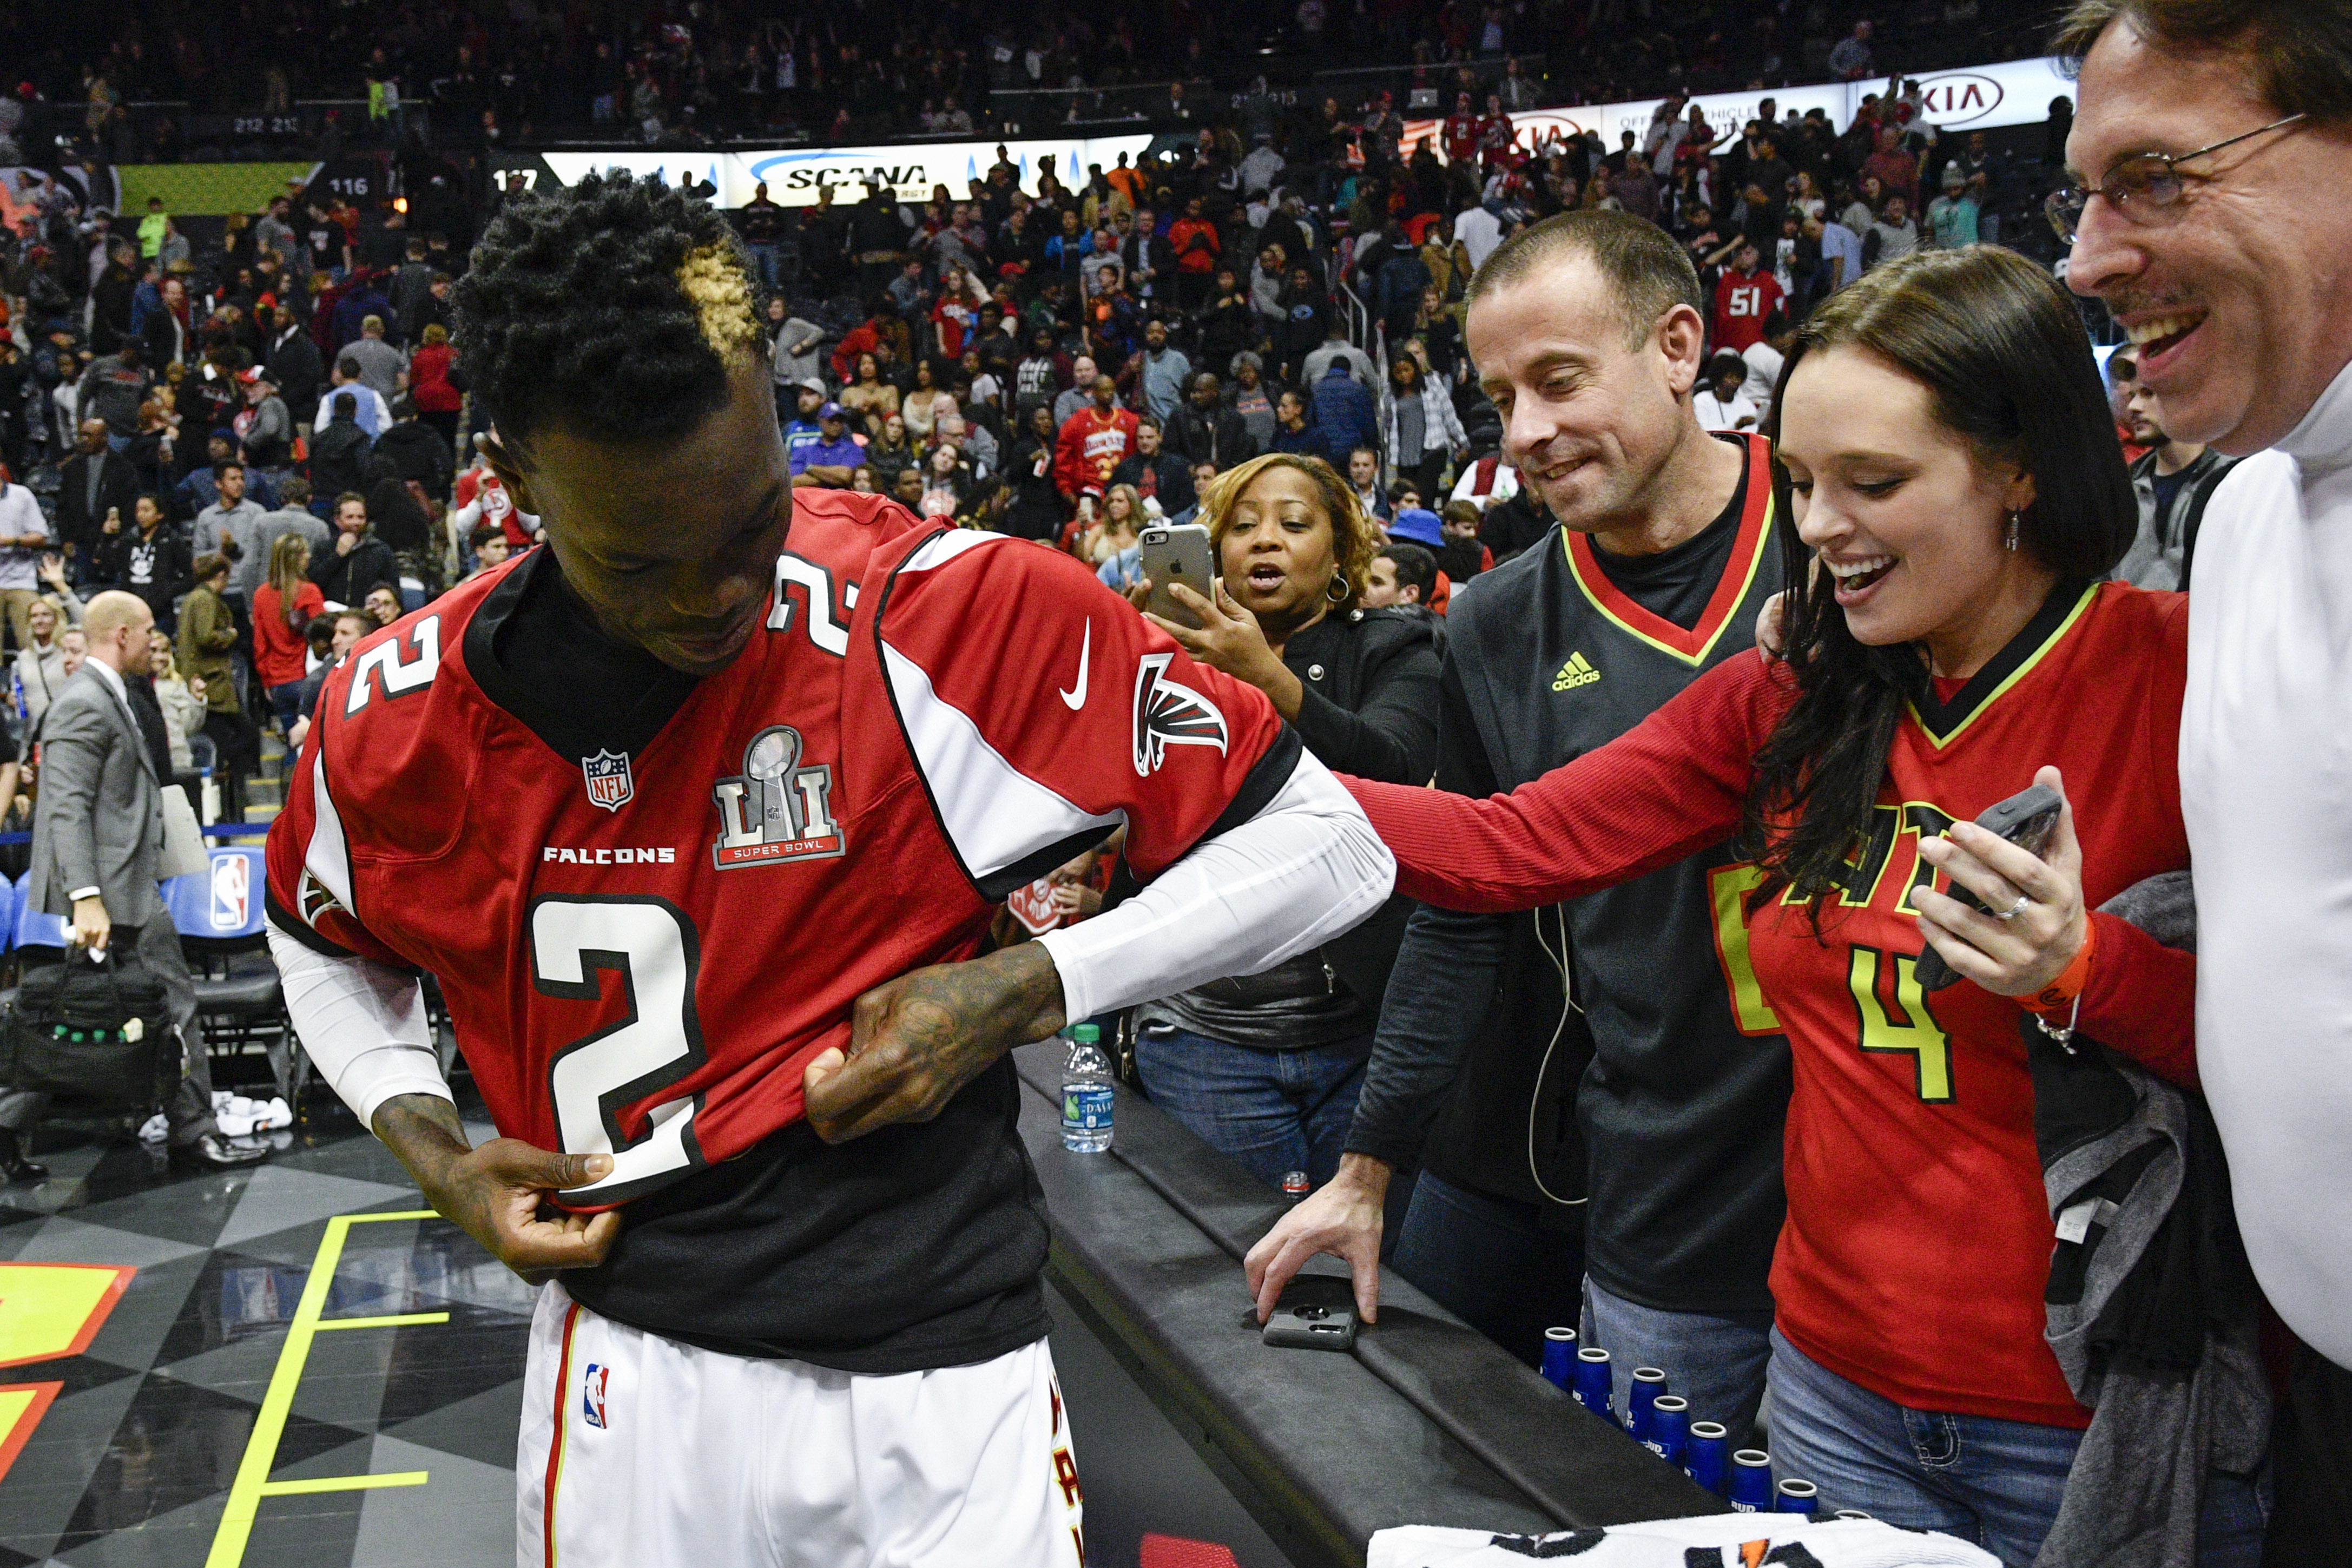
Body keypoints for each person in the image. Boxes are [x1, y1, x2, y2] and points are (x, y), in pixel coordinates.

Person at [262, 173, 1391, 1568]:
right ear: (513, 477)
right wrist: (430, 1149)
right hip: (631, 1375)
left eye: (752, 525)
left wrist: (1029, 988)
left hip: (945, 1370)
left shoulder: (944, 614)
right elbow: (317, 933)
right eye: (643, 563)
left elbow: (1334, 849)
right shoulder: (395, 710)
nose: (717, 594)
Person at [1323, 245, 2268, 1565]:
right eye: (1808, 482)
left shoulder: (2189, 676)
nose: (1818, 529)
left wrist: (2083, 971)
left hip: (2088, 1401)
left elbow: (2296, 1055)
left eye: (1873, 484)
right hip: (1828, 1382)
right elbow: (1508, 848)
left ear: (2022, 468)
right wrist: (1230, 777)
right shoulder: (1794, 690)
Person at [1248, 212, 1791, 1434]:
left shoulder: (1842, 529)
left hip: (1886, 1180)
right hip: (1669, 1210)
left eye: (1558, 381)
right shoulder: (1495, 620)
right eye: (1500, 398)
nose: (1527, 434)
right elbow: (1469, 906)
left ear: (1679, 347)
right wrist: (1369, 1165)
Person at [2057, 0, 2352, 1549]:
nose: (2093, 258)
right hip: (2305, 1405)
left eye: (2159, 179)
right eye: (2088, 195)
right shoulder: (2241, 513)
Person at [1126, 453, 1439, 1187]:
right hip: (1203, 1039)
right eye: (1239, 526)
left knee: (1372, 1279)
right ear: (1212, 554)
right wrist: (1127, 661)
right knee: (1222, 1279)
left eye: (1293, 523)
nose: (1264, 539)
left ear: (1340, 553)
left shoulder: (1394, 646)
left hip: (1360, 1038)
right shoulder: (1162, 661)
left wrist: (1267, 678)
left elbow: (1391, 769)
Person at [22, 591, 267, 1172]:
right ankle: (194, 1130)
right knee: (164, 1005)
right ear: (123, 634)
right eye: (150, 631)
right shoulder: (85, 702)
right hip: (111, 892)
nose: (158, 642)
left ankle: (9, 1126)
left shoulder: (111, 694)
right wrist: (85, 897)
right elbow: (65, 807)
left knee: (68, 1016)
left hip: (123, 885)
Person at [2115, 381, 2234, 589]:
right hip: (2136, 621)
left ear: (2188, 399)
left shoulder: (2233, 477)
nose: (2133, 406)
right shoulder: (2124, 489)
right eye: (2133, 395)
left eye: (2148, 394)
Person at [177, 555, 256, 821]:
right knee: (241, 739)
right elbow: (206, 636)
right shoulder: (204, 600)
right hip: (212, 686)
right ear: (221, 575)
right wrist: (231, 634)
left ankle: (232, 809)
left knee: (235, 741)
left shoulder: (194, 598)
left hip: (208, 683)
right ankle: (231, 812)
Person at [253, 533, 326, 736]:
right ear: (296, 558)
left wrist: (267, 681)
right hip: (307, 679)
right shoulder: (309, 592)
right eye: (305, 552)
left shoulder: (261, 594)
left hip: (278, 683)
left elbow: (260, 644)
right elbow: (324, 633)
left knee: (291, 743)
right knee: (313, 746)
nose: (309, 556)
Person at [1380, 355, 1467, 511]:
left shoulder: (1432, 385)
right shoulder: (1390, 394)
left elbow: (1449, 415)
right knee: (1407, 501)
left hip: (1432, 450)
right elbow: (1387, 424)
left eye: (1407, 370)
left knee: (1426, 500)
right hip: (1405, 455)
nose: (1403, 375)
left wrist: (1462, 441)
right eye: (1398, 372)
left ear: (1415, 368)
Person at [310, 492, 400, 608]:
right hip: (330, 614)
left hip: (367, 615)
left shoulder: (381, 550)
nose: (356, 522)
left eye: (361, 517)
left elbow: (393, 590)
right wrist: (338, 556)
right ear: (337, 520)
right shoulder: (324, 548)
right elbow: (314, 583)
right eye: (350, 517)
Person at [15, 591, 86, 722]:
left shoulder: (67, 651)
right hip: (35, 734)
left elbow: (87, 623)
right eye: (34, 616)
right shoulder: (23, 658)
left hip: (66, 727)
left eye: (46, 615)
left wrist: (64, 590)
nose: (39, 621)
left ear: (57, 618)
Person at [0, 471, 51, 650]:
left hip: (20, 580)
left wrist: (13, 541)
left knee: (32, 645)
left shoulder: (21, 495)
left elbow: (41, 538)